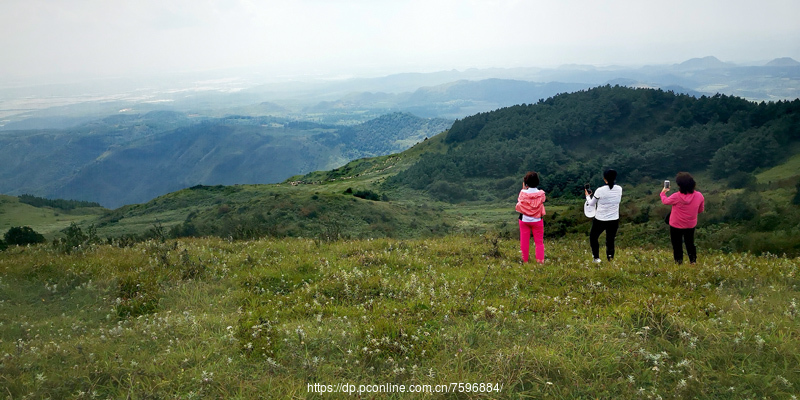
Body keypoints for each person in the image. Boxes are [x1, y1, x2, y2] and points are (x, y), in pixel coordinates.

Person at [661, 172, 705, 264]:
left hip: (676, 225)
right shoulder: (699, 196)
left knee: (677, 244)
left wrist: (663, 193)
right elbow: (700, 210)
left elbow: (665, 201)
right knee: (690, 243)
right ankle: (693, 262)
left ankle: (679, 262)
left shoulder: (676, 196)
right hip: (690, 224)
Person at [584, 169, 622, 263]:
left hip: (600, 219)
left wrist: (587, 196)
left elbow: (591, 204)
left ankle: (596, 258)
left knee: (593, 237)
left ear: (605, 179)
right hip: (614, 219)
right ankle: (610, 258)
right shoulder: (619, 189)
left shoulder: (600, 190)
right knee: (610, 240)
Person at [515, 171, 546, 264]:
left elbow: (520, 200)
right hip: (537, 220)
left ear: (526, 182)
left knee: (524, 242)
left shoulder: (522, 193)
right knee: (539, 243)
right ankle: (540, 262)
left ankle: (525, 261)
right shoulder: (541, 194)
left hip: (524, 220)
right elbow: (543, 200)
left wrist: (524, 188)